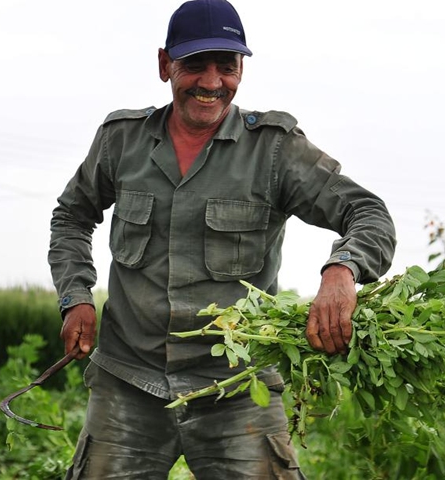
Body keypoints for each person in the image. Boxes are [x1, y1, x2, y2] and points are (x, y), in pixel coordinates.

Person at [48, 0, 396, 477]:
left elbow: (367, 212)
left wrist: (342, 270)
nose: (211, 82)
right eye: (195, 64)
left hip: (238, 388)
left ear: (241, 70)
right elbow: (71, 216)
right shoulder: (121, 140)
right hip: (128, 382)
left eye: (226, 67)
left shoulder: (274, 149)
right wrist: (75, 298)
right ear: (165, 65)